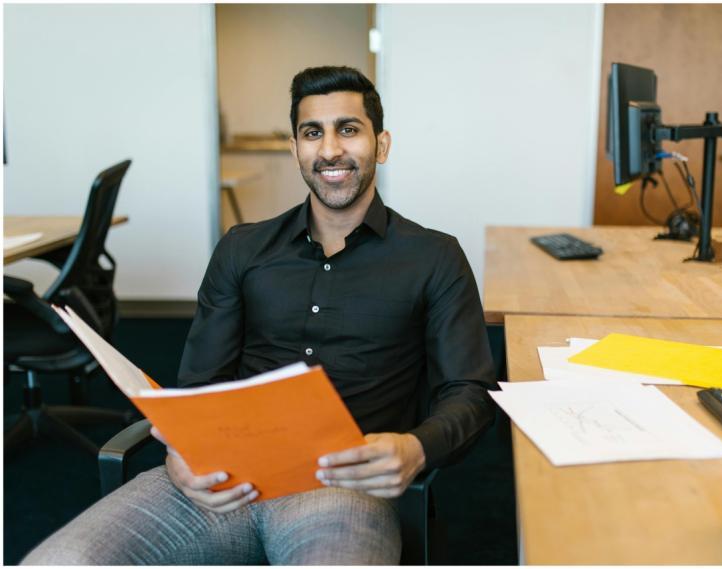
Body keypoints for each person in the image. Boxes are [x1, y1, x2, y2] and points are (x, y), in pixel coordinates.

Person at [22, 66, 496, 565]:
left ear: (381, 145)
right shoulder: (242, 249)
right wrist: (180, 455)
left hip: (341, 488)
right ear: (295, 149)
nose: (330, 149)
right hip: (214, 483)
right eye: (313, 133)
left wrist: (415, 449)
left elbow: (470, 391)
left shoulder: (434, 257)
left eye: (348, 129)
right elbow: (198, 383)